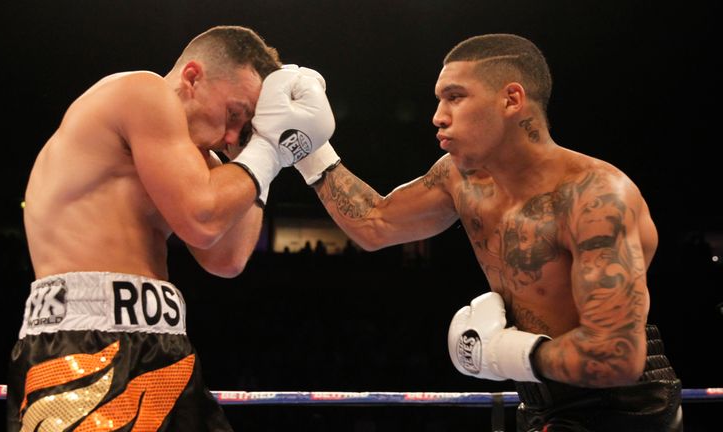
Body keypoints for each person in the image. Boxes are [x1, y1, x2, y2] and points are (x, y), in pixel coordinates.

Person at [292, 34, 682, 431]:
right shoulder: (460, 177)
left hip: (622, 407)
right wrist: (307, 147)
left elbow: (618, 358)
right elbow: (374, 224)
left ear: (511, 100)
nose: (438, 116)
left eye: (455, 97)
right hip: (538, 401)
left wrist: (505, 353)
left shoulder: (595, 197)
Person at [8, 25, 334, 431]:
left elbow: (227, 258)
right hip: (85, 344)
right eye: (234, 113)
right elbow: (202, 220)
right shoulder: (141, 93)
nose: (231, 135)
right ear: (193, 77)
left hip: (164, 346)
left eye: (246, 125)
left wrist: (263, 150)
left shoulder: (199, 160)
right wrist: (267, 151)